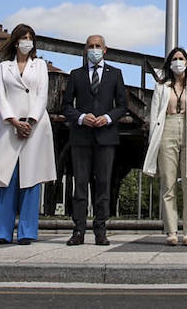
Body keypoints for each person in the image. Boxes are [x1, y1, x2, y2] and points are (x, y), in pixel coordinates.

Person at [0, 23, 56, 245]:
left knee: (31, 177)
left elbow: (42, 95)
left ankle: (27, 231)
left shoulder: (41, 66)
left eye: (30, 38)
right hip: (9, 125)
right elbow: (0, 97)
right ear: (16, 41)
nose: (27, 41)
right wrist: (14, 121)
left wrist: (30, 120)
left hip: (34, 127)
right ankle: (1, 231)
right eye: (23, 37)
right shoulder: (3, 67)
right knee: (6, 177)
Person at [62, 34, 127, 246]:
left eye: (98, 46)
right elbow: (66, 106)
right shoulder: (75, 75)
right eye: (91, 46)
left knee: (103, 185)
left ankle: (101, 229)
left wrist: (107, 118)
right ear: (85, 49)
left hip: (106, 137)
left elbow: (122, 105)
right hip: (81, 137)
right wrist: (81, 117)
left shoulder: (115, 74)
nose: (94, 49)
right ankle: (78, 230)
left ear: (105, 49)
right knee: (80, 185)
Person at [142, 46, 187, 246]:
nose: (178, 62)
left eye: (181, 58)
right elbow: (154, 115)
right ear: (169, 64)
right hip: (167, 130)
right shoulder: (161, 87)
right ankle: (171, 231)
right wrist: (153, 141)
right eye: (174, 59)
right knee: (168, 183)